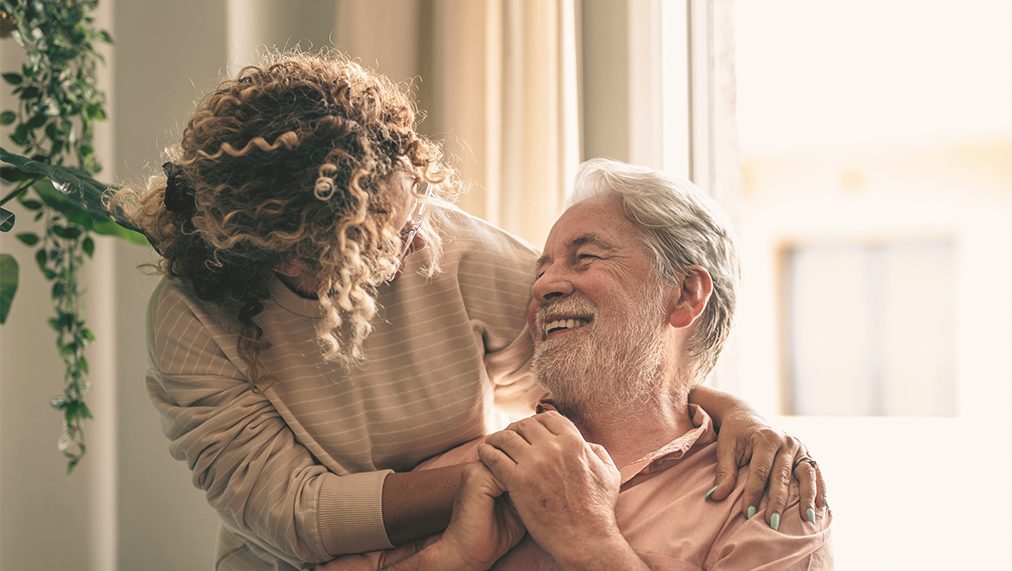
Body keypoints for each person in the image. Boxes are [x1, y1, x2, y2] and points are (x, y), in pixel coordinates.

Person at [114, 51, 826, 570]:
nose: (421, 231)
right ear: (299, 255)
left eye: (583, 256)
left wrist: (736, 414)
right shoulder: (485, 482)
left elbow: (625, 353)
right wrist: (481, 522)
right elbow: (298, 514)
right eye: (388, 229)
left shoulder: (766, 501)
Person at [322, 159, 831, 570]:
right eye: (542, 268)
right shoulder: (464, 475)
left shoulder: (773, 500)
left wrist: (589, 543)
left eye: (585, 258)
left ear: (686, 293)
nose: (543, 286)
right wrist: (452, 559)